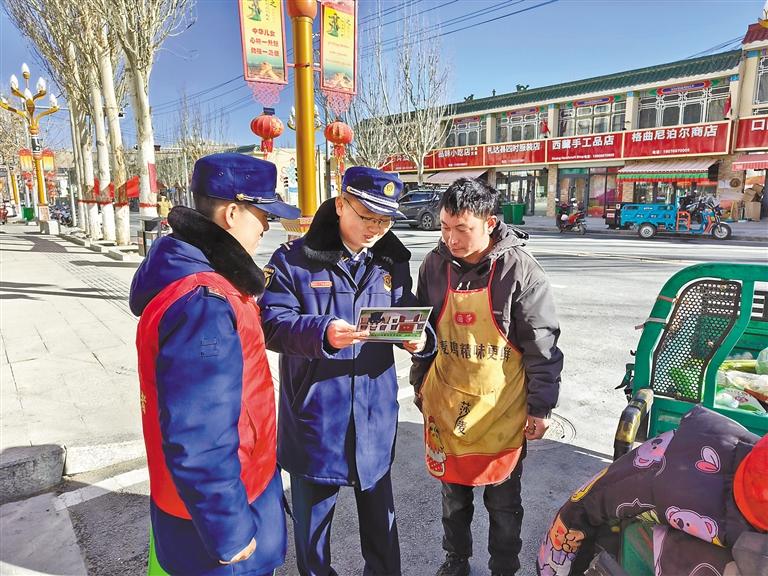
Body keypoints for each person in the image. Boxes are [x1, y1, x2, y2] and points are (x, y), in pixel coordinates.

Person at [129, 153, 300, 575]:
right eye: (263, 215)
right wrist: (231, 531)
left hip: (218, 499)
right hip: (219, 524)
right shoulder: (205, 302)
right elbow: (199, 432)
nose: (266, 227)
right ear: (232, 213)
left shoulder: (194, 277)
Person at [259, 166, 435, 576]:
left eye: (385, 220)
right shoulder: (294, 260)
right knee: (313, 535)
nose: (376, 228)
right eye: (367, 216)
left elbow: (407, 313)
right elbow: (270, 323)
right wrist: (321, 332)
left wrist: (420, 339)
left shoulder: (392, 261)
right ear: (341, 205)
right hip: (316, 418)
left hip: (374, 417)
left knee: (381, 527)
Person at [411, 177, 563, 576]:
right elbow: (424, 334)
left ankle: (503, 568)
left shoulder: (520, 271)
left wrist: (541, 407)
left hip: (501, 410)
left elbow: (542, 346)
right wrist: (419, 383)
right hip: (448, 405)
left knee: (503, 504)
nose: (451, 239)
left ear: (490, 222)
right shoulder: (433, 265)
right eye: (445, 227)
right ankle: (456, 559)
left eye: (462, 229)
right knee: (453, 498)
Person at [537, 405, 768, 576]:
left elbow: (585, 505)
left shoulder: (675, 462)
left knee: (631, 532)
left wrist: (552, 569)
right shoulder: (677, 464)